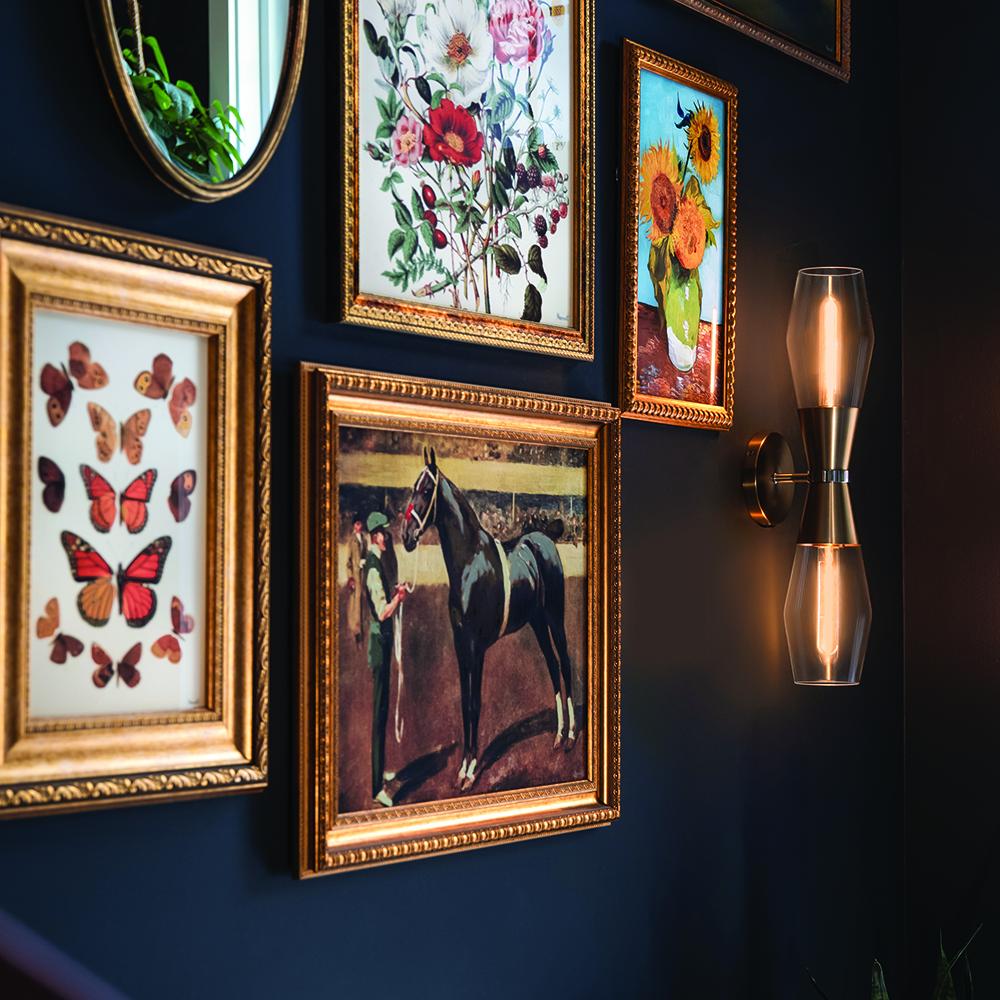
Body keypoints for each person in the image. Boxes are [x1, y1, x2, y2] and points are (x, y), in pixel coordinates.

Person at [363, 511, 408, 808]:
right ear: (375, 536)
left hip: (383, 642)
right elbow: (381, 612)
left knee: (383, 709)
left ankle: (380, 773)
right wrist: (397, 599)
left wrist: (394, 592)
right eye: (383, 533)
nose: (387, 537)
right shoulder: (372, 569)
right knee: (379, 715)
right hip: (379, 645)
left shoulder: (376, 564)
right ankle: (376, 787)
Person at [345, 514, 367, 645]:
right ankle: (356, 633)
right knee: (355, 606)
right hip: (356, 577)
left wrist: (364, 562)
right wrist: (350, 578)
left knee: (363, 605)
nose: (359, 526)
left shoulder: (364, 539)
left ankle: (362, 632)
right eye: (357, 524)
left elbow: (365, 555)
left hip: (363, 576)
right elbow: (348, 562)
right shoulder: (351, 540)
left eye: (360, 523)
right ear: (354, 525)